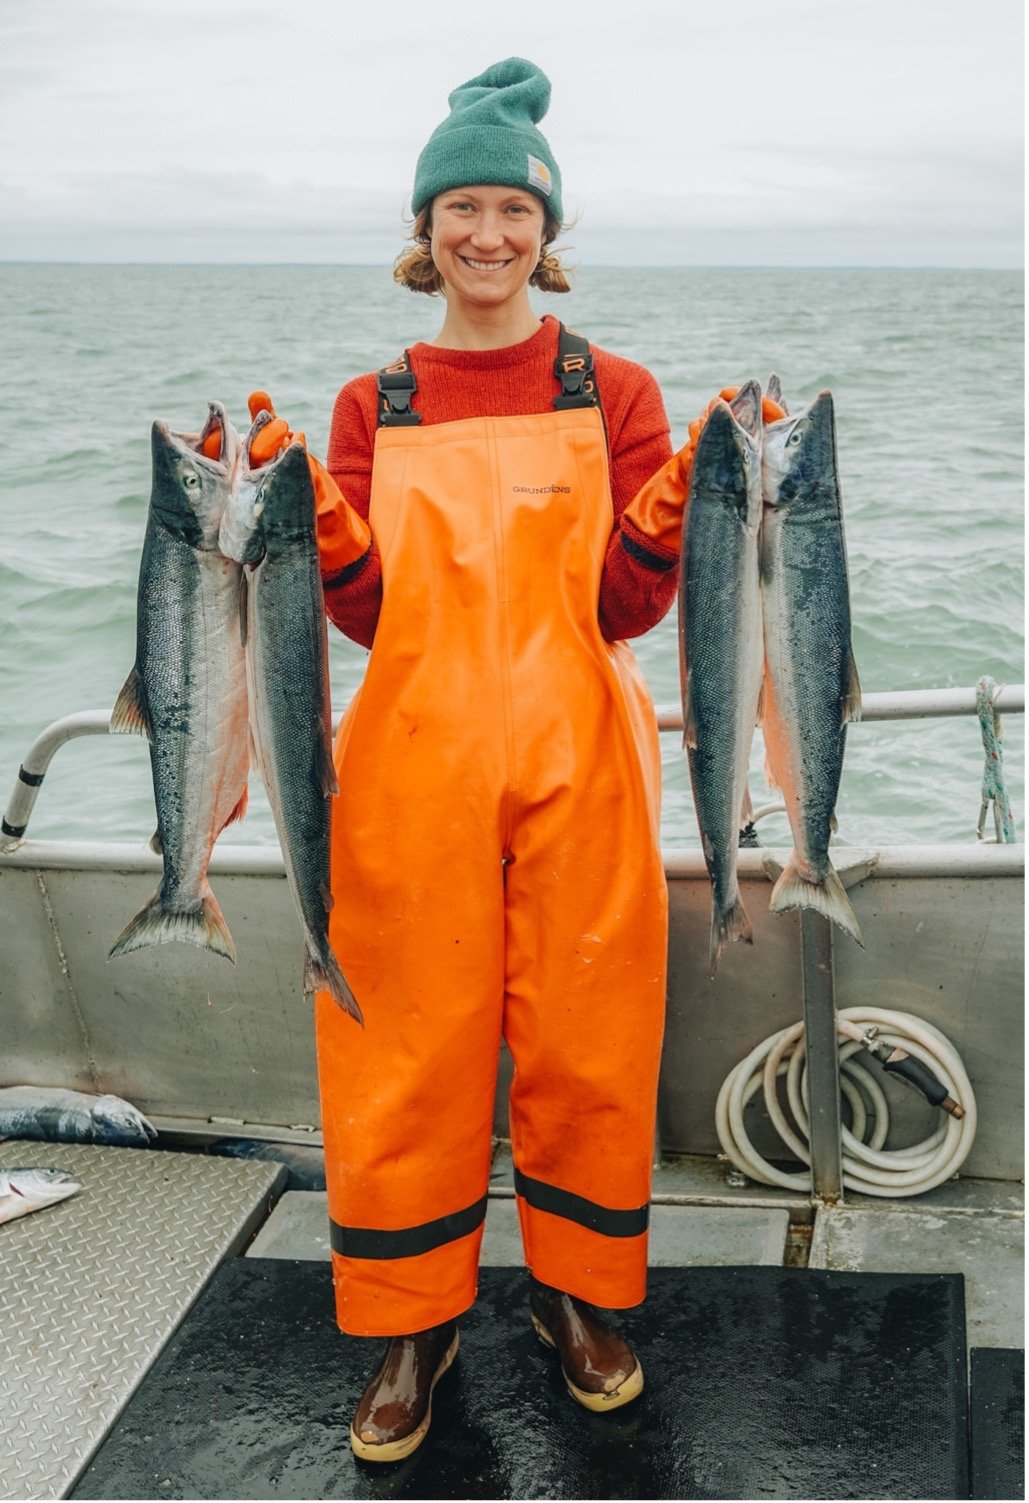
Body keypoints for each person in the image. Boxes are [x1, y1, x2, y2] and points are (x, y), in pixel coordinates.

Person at [251, 56, 730, 1463]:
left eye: (510, 212)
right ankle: (414, 1319)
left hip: (584, 755)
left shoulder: (615, 384)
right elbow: (356, 622)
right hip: (408, 766)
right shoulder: (370, 404)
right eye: (459, 208)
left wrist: (657, 518)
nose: (485, 236)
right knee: (405, 1053)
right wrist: (326, 539)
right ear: (424, 230)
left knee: (588, 1045)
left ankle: (576, 1301)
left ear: (544, 233)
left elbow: (632, 611)